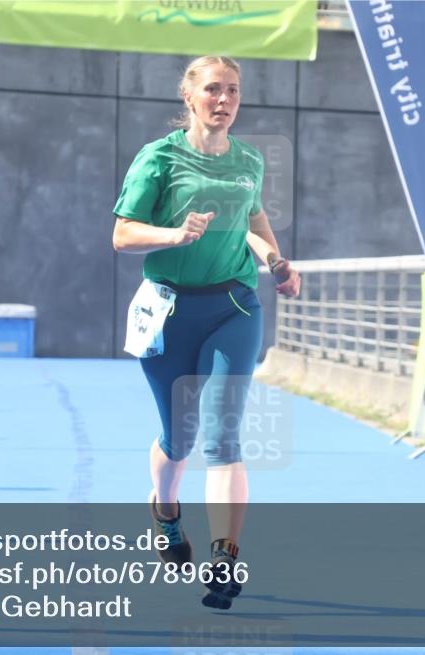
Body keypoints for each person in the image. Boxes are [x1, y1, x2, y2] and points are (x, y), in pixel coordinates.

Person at [112, 55, 300, 610]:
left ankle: (225, 558)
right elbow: (122, 234)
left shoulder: (248, 160)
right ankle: (166, 512)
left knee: (223, 437)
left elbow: (252, 217)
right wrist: (174, 236)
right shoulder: (160, 158)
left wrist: (274, 259)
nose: (224, 101)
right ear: (190, 97)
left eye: (234, 92)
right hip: (168, 312)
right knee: (180, 438)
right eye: (213, 90)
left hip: (233, 308)